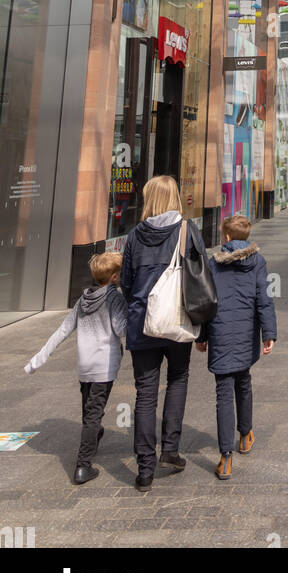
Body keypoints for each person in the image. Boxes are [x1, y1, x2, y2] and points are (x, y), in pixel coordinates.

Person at [120, 175, 209, 491]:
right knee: (178, 378)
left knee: (145, 391)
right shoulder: (188, 230)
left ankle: (144, 469)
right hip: (177, 320)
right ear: (174, 199)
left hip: (143, 322)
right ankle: (170, 450)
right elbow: (202, 279)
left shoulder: (134, 236)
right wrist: (205, 329)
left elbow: (126, 283)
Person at [24, 251, 127, 485]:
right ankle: (83, 465)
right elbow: (121, 329)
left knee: (89, 408)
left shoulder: (83, 300)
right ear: (113, 277)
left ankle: (95, 433)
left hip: (84, 365)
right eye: (120, 273)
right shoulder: (114, 299)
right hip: (104, 365)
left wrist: (37, 360)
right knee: (93, 412)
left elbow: (62, 330)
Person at [196, 213, 276, 481]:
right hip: (245, 332)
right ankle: (246, 434)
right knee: (243, 381)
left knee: (223, 393)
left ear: (226, 238)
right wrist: (269, 333)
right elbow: (264, 300)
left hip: (220, 332)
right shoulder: (258, 262)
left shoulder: (213, 263)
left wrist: (202, 335)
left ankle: (225, 457)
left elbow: (207, 302)